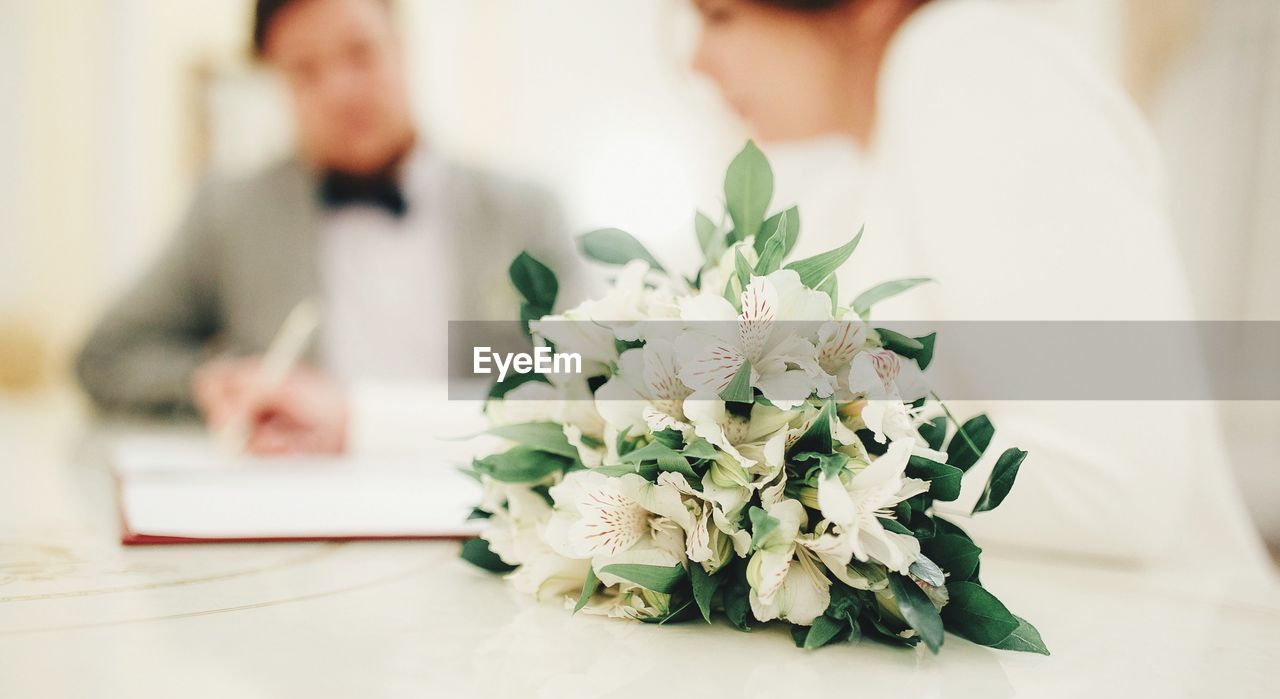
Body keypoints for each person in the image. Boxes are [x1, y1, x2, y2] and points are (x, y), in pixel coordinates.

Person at [688, 0, 1274, 575]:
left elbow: (1118, 485)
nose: (698, 60)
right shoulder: (858, 181)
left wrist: (780, 469)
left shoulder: (974, 66)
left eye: (720, 16)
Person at [77, 0, 576, 455]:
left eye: (360, 54)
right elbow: (106, 355)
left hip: (483, 488)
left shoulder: (523, 214)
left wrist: (374, 420)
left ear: (402, 48)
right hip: (291, 499)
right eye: (305, 70)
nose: (341, 90)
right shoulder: (231, 213)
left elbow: (584, 371)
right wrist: (210, 383)